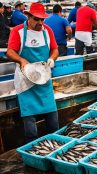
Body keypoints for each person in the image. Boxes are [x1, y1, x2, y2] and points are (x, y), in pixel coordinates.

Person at [6, 3, 59, 143]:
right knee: (30, 127)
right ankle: (33, 149)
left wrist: (51, 59)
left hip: (44, 80)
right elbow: (10, 52)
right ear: (28, 16)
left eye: (42, 19)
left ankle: (54, 146)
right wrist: (21, 60)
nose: (40, 23)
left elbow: (55, 49)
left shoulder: (47, 31)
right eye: (36, 19)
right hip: (25, 83)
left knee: (53, 124)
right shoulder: (18, 31)